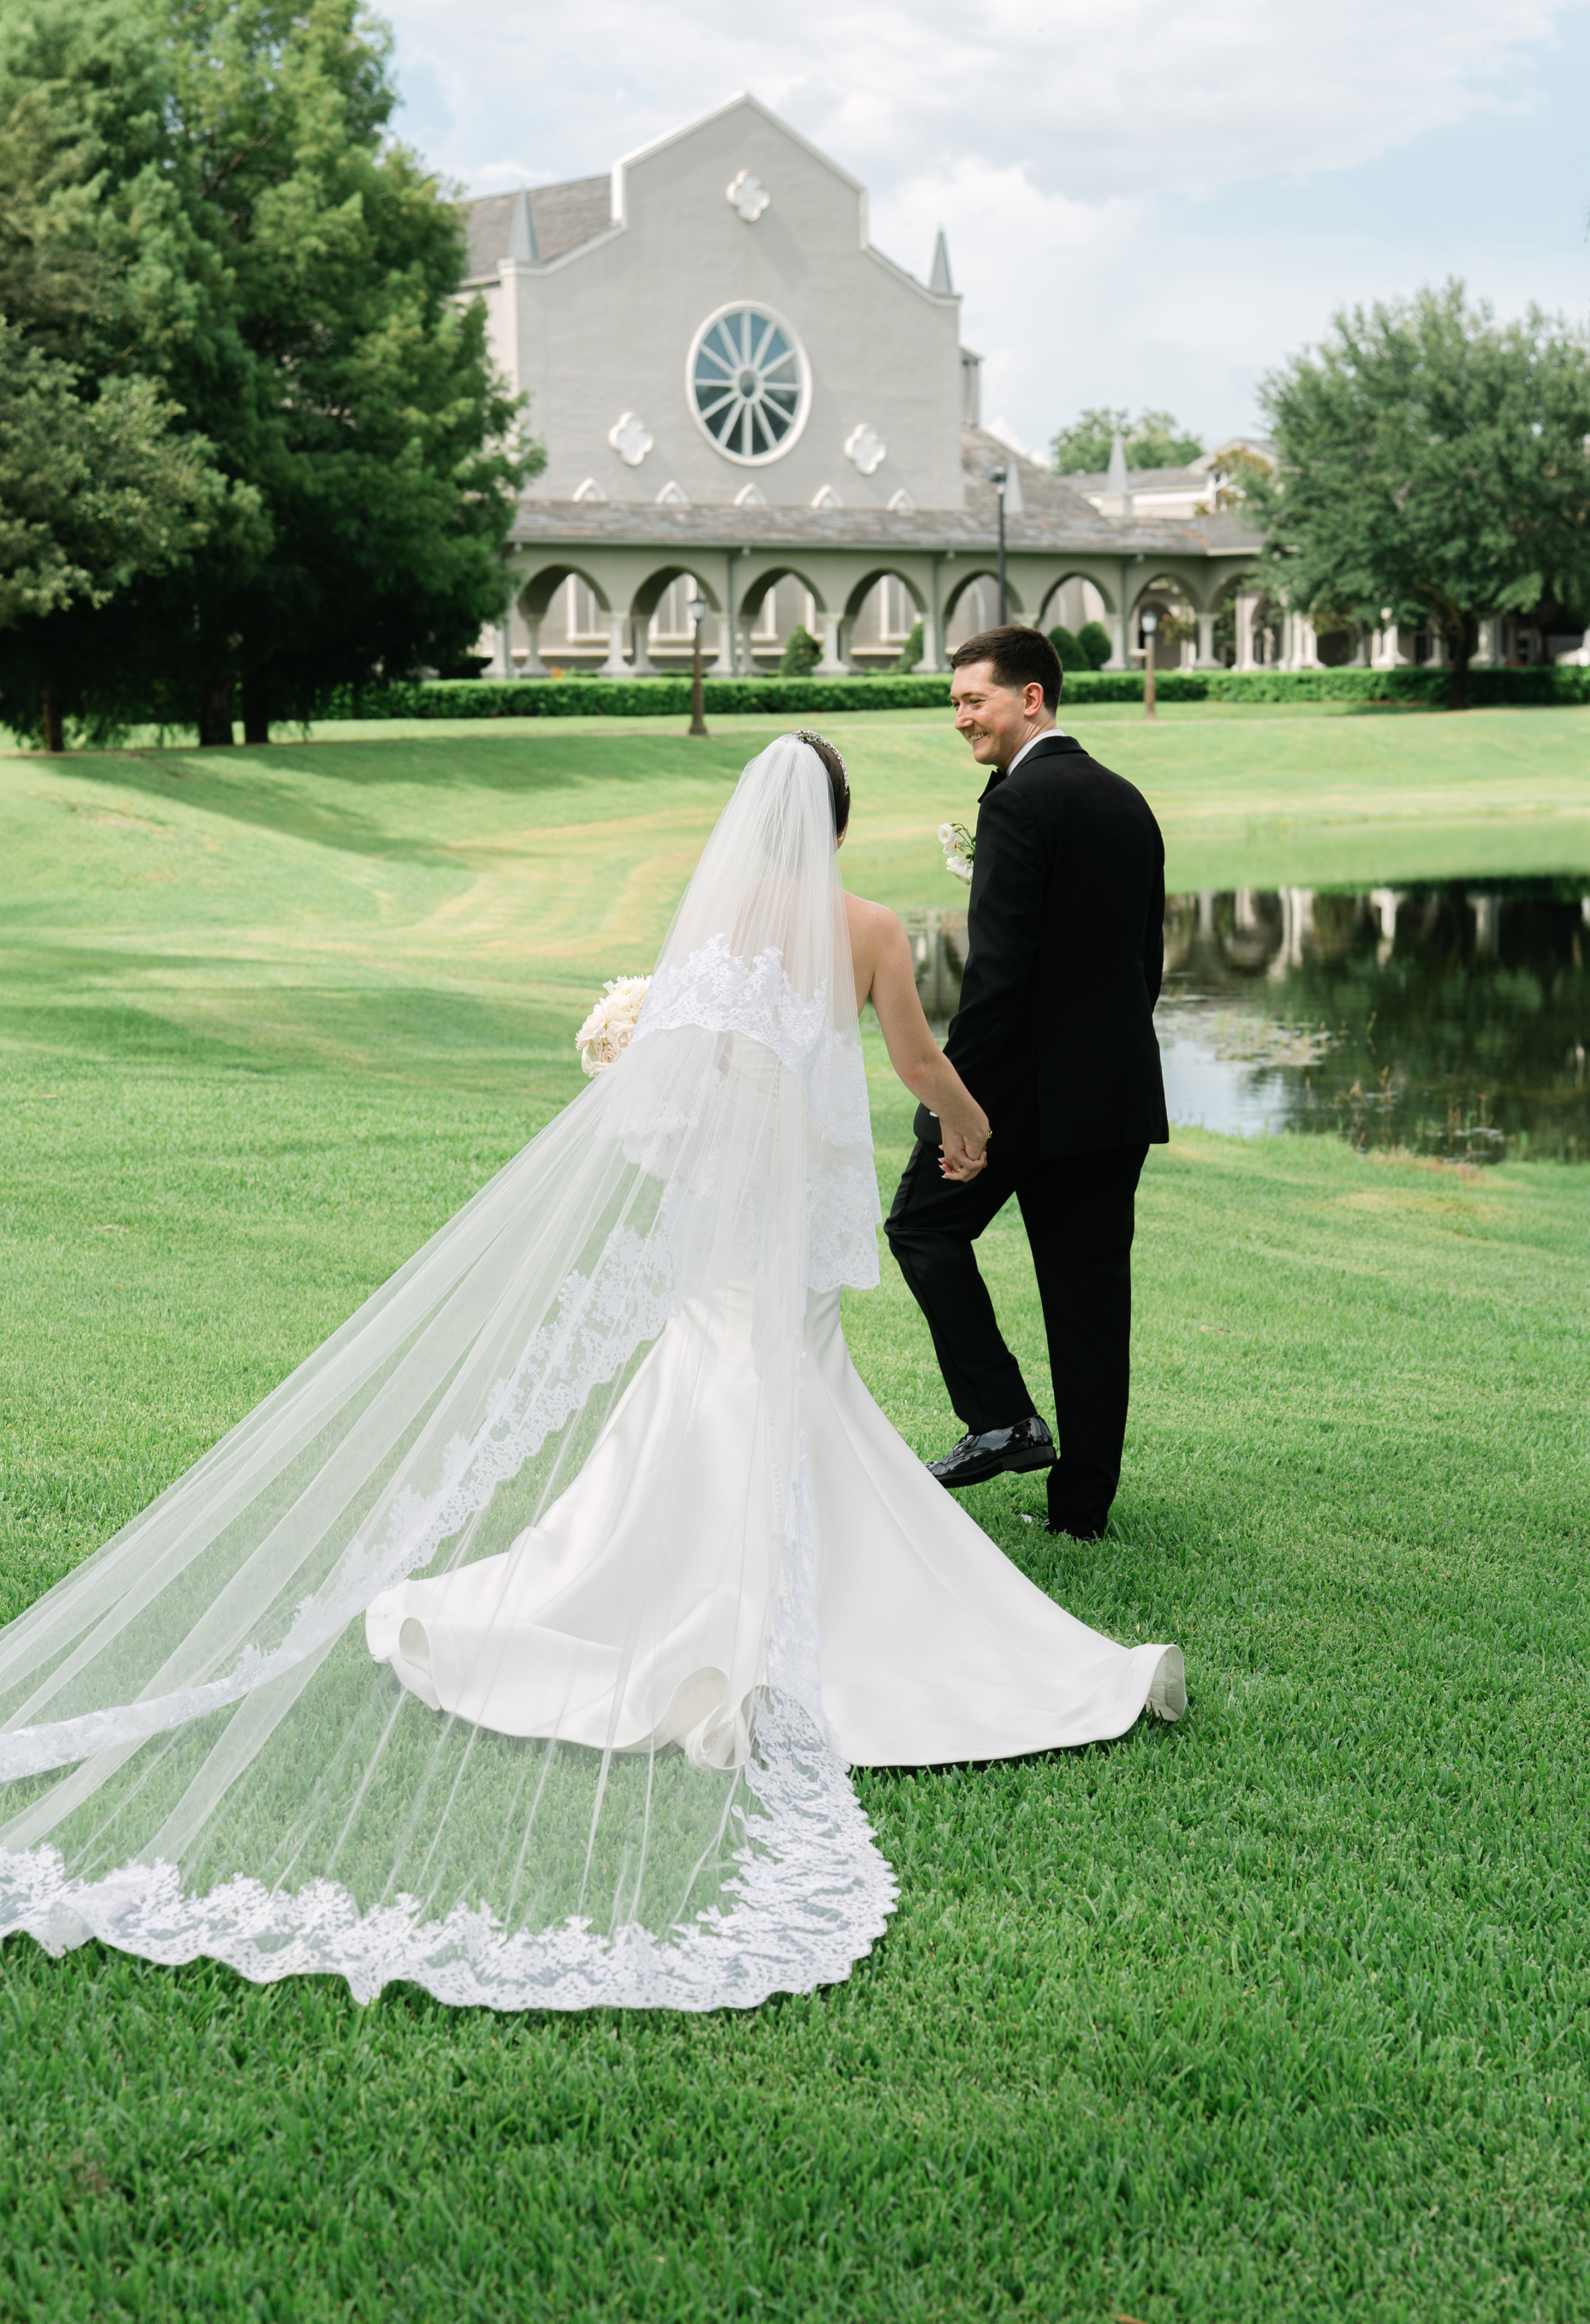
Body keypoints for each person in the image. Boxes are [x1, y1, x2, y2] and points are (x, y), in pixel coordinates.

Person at [0, 733, 1181, 2016]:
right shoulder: (870, 925)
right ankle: (784, 1607)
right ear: (837, 825)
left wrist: (632, 1052)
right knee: (782, 1377)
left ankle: (645, 1588)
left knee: (712, 1374)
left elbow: (679, 1054)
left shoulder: (720, 909)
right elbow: (907, 1058)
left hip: (728, 1193)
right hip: (796, 1201)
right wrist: (965, 1120)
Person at [885, 628, 1169, 1541]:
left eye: (976, 700)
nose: (962, 717)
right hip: (1114, 1098)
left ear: (1032, 698)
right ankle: (1082, 1510)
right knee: (1092, 1302)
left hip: (1019, 1102)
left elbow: (995, 984)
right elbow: (1145, 965)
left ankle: (1001, 1418)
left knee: (921, 1223)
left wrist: (952, 1115)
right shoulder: (1127, 801)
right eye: (956, 702)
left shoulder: (1017, 806)